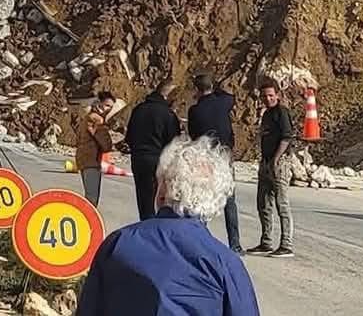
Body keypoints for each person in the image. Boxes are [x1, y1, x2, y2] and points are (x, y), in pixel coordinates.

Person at [77, 136, 260, 316]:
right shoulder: (225, 263)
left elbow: (89, 308)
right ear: (216, 199)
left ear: (163, 190)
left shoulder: (118, 243)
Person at [188, 71, 243, 254]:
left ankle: (200, 240)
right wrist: (217, 87)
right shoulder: (223, 103)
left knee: (203, 198)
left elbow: (193, 137)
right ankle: (235, 244)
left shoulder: (195, 111)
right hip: (225, 157)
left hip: (206, 158)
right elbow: (231, 96)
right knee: (229, 201)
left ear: (196, 89)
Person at [247, 79, 295, 258]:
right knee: (263, 204)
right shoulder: (267, 114)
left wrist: (276, 159)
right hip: (266, 162)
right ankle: (266, 241)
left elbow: (287, 137)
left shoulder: (281, 113)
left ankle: (286, 244)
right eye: (264, 96)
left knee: (281, 204)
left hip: (280, 162)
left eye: (271, 95)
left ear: (278, 95)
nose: (268, 99)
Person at [125, 79, 181, 220]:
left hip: (138, 159)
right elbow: (174, 143)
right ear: (167, 96)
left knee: (143, 199)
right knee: (161, 199)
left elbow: (129, 137)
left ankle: (145, 224)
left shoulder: (138, 109)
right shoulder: (168, 115)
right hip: (159, 160)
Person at [75, 90, 115, 207]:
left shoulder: (88, 117)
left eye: (111, 107)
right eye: (107, 105)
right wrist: (102, 126)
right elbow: (106, 145)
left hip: (86, 159)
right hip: (90, 161)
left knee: (90, 197)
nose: (109, 109)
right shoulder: (95, 119)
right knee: (91, 199)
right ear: (99, 103)